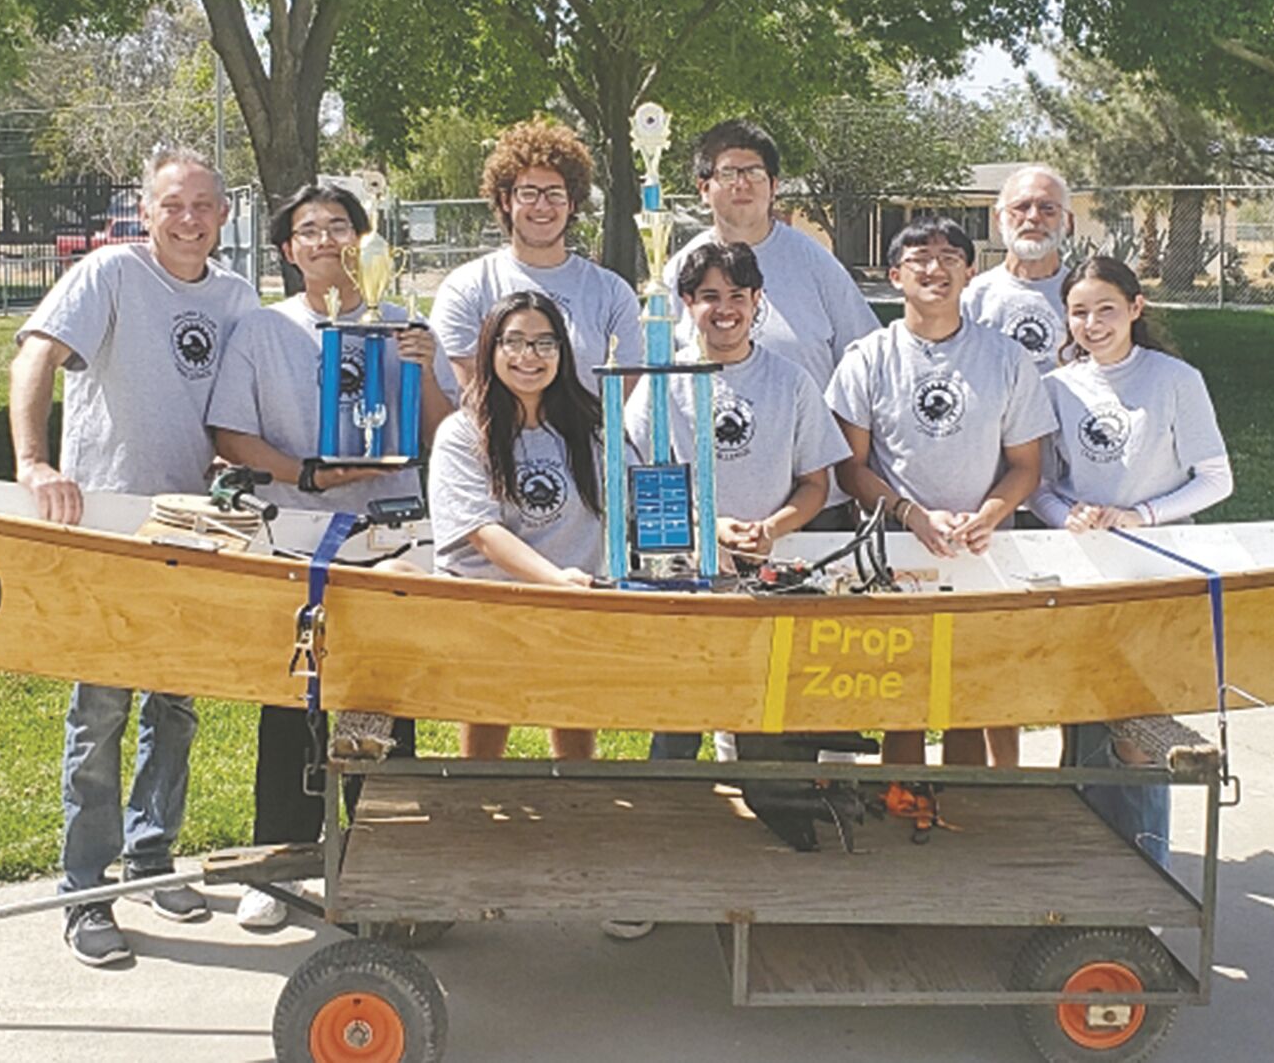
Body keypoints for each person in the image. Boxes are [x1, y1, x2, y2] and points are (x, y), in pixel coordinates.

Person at [10, 147, 258, 966]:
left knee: (175, 708)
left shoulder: (236, 295)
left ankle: (153, 856)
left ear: (224, 215)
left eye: (203, 206)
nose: (189, 219)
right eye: (172, 205)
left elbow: (237, 407)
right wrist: (34, 463)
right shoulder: (110, 275)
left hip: (189, 531)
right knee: (101, 712)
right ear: (145, 212)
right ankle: (85, 890)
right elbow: (35, 355)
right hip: (106, 525)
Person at [206, 182, 457, 929]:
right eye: (308, 230)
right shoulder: (261, 330)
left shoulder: (404, 322)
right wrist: (306, 472)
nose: (323, 240)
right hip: (296, 529)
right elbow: (231, 438)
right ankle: (280, 866)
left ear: (363, 243)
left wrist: (424, 366)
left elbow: (449, 433)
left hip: (390, 531)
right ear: (288, 250)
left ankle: (388, 866)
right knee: (293, 697)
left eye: (338, 227)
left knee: (384, 700)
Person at [827, 216, 1056, 768]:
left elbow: (1028, 464)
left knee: (973, 691)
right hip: (897, 549)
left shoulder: (1006, 359)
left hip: (983, 549)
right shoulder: (868, 358)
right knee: (902, 694)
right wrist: (911, 516)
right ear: (894, 275)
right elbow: (848, 469)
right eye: (920, 259)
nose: (936, 269)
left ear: (970, 272)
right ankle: (903, 798)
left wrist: (988, 516)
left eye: (950, 257)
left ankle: (969, 805)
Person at [1032, 256, 1234, 866]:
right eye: (1079, 312)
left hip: (1155, 572)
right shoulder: (1055, 387)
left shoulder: (1175, 380)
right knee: (1082, 720)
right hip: (1083, 572)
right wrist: (1066, 516)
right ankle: (1083, 855)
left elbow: (1216, 479)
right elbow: (1041, 485)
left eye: (1106, 310)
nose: (1092, 324)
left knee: (1138, 729)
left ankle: (1147, 863)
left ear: (1135, 308)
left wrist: (1141, 515)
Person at [630, 240, 850, 761]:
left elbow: (815, 483)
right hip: (686, 573)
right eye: (709, 296)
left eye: (736, 295)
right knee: (681, 714)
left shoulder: (791, 381)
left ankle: (771, 808)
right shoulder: (662, 382)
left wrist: (771, 528)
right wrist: (708, 527)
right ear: (687, 304)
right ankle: (671, 819)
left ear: (757, 300)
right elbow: (639, 482)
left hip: (767, 575)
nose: (724, 309)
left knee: (767, 716)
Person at [664, 119, 882, 532]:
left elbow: (865, 368)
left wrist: (860, 474)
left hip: (815, 504)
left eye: (754, 173)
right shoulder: (679, 271)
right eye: (728, 173)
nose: (742, 184)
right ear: (703, 187)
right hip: (707, 520)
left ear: (774, 185)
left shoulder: (816, 264)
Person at [428, 291, 605, 761]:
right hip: (488, 607)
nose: (530, 356)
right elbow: (483, 534)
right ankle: (478, 800)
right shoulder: (463, 433)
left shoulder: (592, 430)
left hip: (573, 608)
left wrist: (711, 525)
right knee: (487, 717)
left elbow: (635, 493)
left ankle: (576, 802)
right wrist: (555, 580)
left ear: (563, 354)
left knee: (574, 722)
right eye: (515, 342)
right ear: (491, 349)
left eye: (545, 343)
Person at [429, 119, 643, 395]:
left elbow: (627, 399)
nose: (542, 206)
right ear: (506, 200)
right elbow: (468, 397)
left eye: (555, 194)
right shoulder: (466, 287)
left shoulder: (612, 294)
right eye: (528, 193)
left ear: (573, 203)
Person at [962, 165, 1075, 373]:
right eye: (1021, 207)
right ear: (998, 220)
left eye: (1047, 208)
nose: (1033, 217)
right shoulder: (974, 296)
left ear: (1067, 222)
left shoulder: (1081, 294)